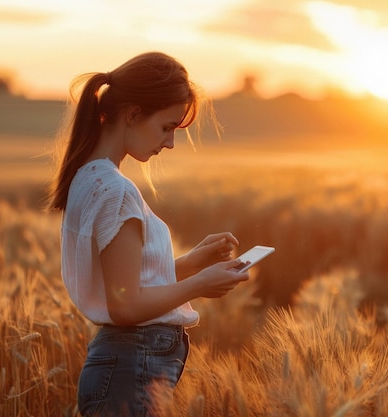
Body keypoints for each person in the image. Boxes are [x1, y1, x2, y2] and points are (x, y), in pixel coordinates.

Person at [47, 52, 249, 416]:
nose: (170, 143)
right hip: (132, 368)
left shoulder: (89, 178)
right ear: (133, 114)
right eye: (167, 127)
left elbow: (128, 283)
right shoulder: (115, 190)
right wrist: (201, 284)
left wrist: (189, 264)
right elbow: (125, 306)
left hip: (124, 367)